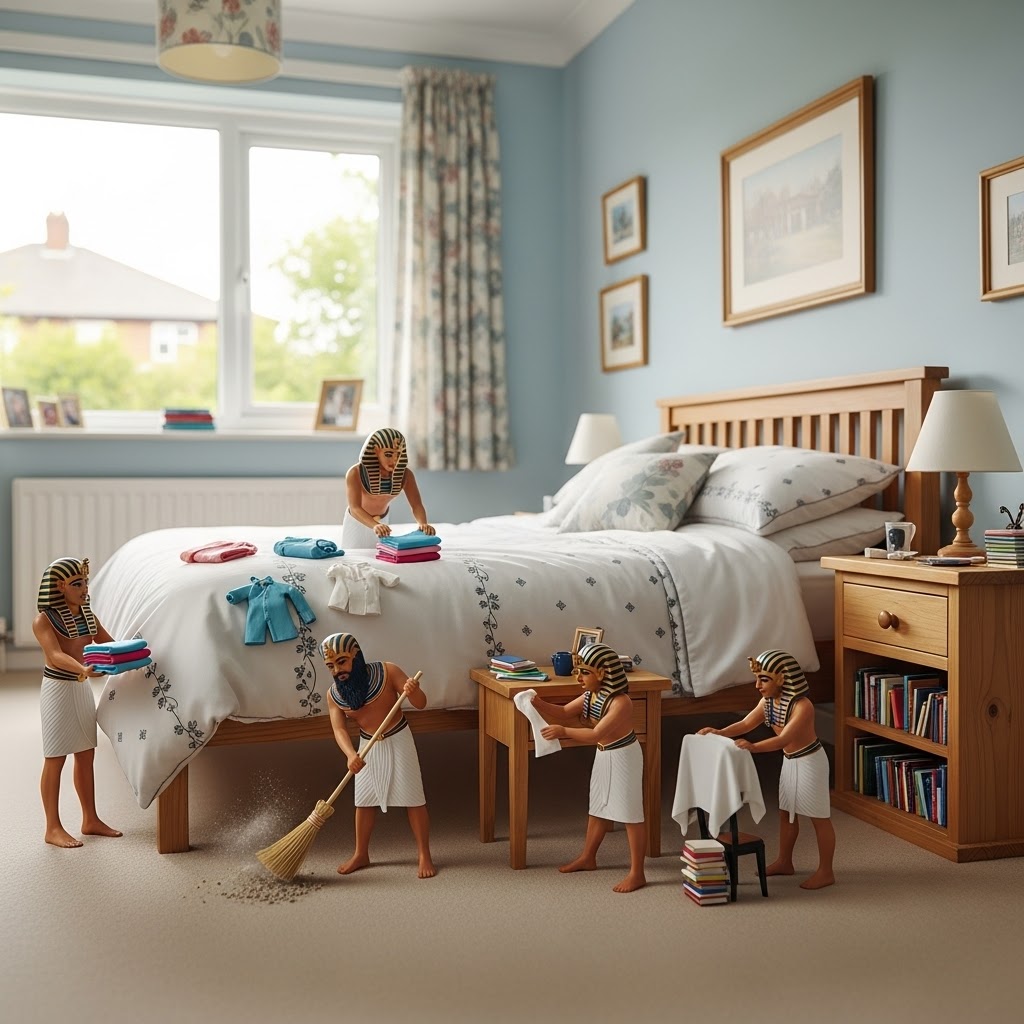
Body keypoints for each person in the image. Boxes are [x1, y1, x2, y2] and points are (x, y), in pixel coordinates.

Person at [698, 649, 835, 890]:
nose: (757, 685)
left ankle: (826, 871)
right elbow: (746, 723)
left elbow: (784, 739)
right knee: (786, 813)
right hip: (790, 761)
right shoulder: (769, 702)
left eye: (764, 679)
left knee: (819, 818)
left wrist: (753, 747)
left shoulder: (803, 706)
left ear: (782, 678)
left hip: (811, 761)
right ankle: (785, 861)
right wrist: (719, 732)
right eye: (757, 678)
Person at [532, 643, 646, 893]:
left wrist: (563, 732)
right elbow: (562, 712)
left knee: (630, 814)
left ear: (603, 673)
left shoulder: (621, 702)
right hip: (604, 755)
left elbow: (596, 733)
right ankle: (588, 856)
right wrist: (537, 702)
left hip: (624, 756)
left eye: (584, 672)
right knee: (597, 808)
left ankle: (637, 872)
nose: (578, 678)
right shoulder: (590, 696)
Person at [321, 632, 435, 878]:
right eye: (330, 665)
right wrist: (351, 754)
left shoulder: (388, 671)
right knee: (363, 801)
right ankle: (361, 853)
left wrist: (413, 690)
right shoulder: (334, 695)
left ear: (356, 656)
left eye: (342, 661)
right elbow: (339, 728)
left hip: (399, 738)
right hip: (366, 746)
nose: (337, 670)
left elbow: (421, 703)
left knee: (414, 798)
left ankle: (424, 853)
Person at [32, 556, 122, 848]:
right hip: (58, 689)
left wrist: (130, 652)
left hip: (81, 689)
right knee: (55, 758)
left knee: (86, 755)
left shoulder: (86, 614)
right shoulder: (43, 620)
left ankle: (90, 819)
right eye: (77, 583)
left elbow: (107, 642)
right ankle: (52, 827)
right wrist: (83, 669)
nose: (85, 588)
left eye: (85, 582)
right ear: (60, 586)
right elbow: (55, 655)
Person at [342, 427, 434, 549]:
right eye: (389, 454)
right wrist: (375, 525)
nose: (395, 460)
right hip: (357, 521)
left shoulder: (406, 475)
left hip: (382, 521)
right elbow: (355, 508)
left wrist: (423, 524)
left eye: (398, 454)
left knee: (381, 559)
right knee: (352, 559)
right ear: (375, 451)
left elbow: (416, 505)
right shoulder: (355, 473)